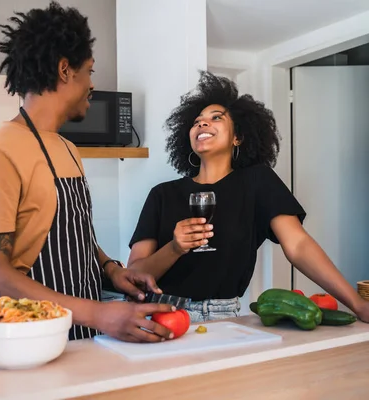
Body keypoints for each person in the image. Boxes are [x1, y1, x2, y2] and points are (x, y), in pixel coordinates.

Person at [0, 1, 175, 342]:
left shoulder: (67, 149)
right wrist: (99, 314)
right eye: (89, 71)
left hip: (83, 336)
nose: (92, 84)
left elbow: (77, 234)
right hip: (32, 338)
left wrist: (111, 270)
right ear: (65, 70)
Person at [127, 71, 369, 323]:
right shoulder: (162, 194)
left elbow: (298, 246)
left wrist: (357, 304)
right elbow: (135, 274)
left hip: (220, 317)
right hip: (158, 313)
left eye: (216, 118)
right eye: (197, 121)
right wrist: (175, 248)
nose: (202, 124)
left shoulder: (257, 182)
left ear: (237, 137)